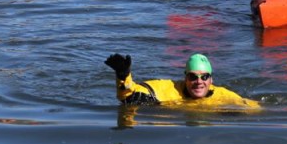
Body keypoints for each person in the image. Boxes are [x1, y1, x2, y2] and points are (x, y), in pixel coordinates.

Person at [104, 53, 260, 109]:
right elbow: (129, 97)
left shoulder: (223, 96)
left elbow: (254, 109)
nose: (199, 82)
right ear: (185, 78)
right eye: (193, 76)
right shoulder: (168, 89)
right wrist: (123, 76)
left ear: (211, 80)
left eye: (204, 77)